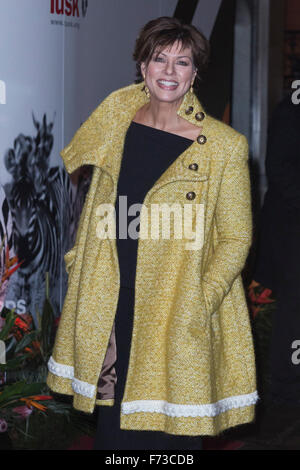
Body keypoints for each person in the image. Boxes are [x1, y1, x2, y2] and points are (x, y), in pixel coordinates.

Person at [46, 16, 258, 450]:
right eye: (159, 59)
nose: (168, 71)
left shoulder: (222, 146)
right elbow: (96, 210)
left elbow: (236, 237)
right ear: (142, 66)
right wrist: (78, 265)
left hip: (176, 307)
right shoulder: (115, 124)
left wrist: (201, 297)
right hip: (111, 304)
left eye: (182, 62)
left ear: (195, 73)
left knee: (172, 439)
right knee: (114, 435)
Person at [253, 92, 300, 405]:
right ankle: (288, 388)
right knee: (294, 311)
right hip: (291, 229)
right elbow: (279, 169)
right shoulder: (291, 110)